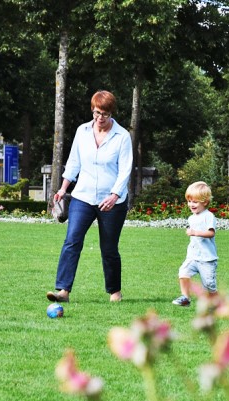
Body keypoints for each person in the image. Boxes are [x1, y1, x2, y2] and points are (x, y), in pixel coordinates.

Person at [46, 90, 133, 304]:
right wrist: (63, 188)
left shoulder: (122, 136)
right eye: (96, 112)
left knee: (109, 248)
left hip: (112, 202)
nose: (100, 118)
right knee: (72, 240)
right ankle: (63, 291)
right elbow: (74, 161)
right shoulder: (82, 131)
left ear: (111, 113)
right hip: (82, 196)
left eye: (104, 113)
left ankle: (115, 292)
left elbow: (125, 170)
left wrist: (114, 195)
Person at [172, 181, 218, 307]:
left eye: (195, 202)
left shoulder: (208, 216)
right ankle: (185, 298)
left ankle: (215, 303)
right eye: (189, 201)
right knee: (183, 272)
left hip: (207, 258)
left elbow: (211, 233)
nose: (191, 204)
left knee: (209, 285)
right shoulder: (191, 218)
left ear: (205, 202)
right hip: (193, 256)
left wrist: (195, 232)